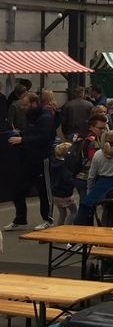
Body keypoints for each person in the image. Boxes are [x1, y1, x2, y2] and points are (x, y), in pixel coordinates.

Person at [3, 93, 55, 231]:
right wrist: (21, 134)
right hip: (28, 158)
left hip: (42, 158)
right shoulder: (31, 116)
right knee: (17, 188)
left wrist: (23, 140)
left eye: (25, 105)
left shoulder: (46, 117)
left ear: (34, 103)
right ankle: (20, 219)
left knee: (44, 191)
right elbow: (31, 133)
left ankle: (48, 219)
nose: (22, 107)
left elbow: (43, 137)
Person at [47, 142, 78, 228]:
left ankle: (59, 230)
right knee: (74, 211)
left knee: (62, 213)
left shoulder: (52, 163)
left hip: (55, 194)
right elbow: (68, 180)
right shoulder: (64, 166)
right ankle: (67, 229)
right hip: (65, 194)